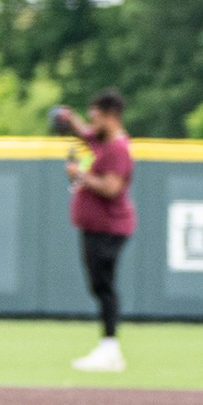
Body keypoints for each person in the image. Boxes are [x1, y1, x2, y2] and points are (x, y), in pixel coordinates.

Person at [59, 90, 135, 372]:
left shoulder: (117, 148)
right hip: (97, 227)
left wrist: (79, 174)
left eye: (97, 117)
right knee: (99, 286)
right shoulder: (103, 141)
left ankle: (110, 349)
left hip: (109, 227)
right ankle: (108, 347)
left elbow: (112, 188)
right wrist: (69, 119)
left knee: (104, 286)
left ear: (111, 117)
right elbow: (83, 132)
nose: (92, 123)